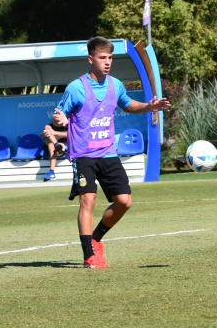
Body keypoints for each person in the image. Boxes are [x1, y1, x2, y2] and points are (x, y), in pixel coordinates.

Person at [52, 36, 170, 269]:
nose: (107, 62)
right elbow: (58, 115)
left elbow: (127, 104)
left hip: (108, 152)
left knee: (124, 202)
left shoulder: (116, 85)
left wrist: (149, 107)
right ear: (90, 59)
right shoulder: (76, 88)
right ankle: (89, 256)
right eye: (102, 57)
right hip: (84, 154)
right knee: (88, 199)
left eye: (110, 58)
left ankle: (96, 238)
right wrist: (61, 119)